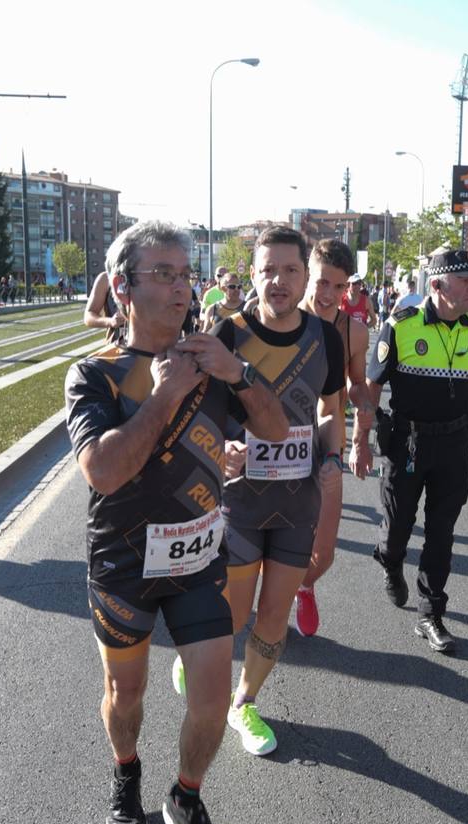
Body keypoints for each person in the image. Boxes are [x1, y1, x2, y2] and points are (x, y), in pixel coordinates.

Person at [65, 221, 286, 824]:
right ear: (123, 288)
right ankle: (126, 773)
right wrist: (166, 393)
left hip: (196, 560)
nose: (179, 287)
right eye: (161, 274)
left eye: (184, 274)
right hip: (122, 565)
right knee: (124, 693)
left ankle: (187, 797)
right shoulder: (94, 375)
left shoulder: (216, 361)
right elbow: (103, 472)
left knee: (213, 699)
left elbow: (273, 431)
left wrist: (238, 372)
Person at [176, 226, 344, 759]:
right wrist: (221, 446)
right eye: (268, 270)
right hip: (242, 501)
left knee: (274, 616)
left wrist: (334, 457)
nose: (279, 281)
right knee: (232, 614)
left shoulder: (326, 337)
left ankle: (243, 701)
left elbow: (329, 409)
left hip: (298, 504)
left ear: (304, 277)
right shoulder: (228, 335)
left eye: (290, 270)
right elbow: (199, 413)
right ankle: (200, 655)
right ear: (253, 274)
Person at [366, 248, 468, 653]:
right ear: (437, 285)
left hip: (454, 444)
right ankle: (389, 560)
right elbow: (372, 383)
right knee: (398, 526)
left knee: (442, 532)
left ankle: (430, 613)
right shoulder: (401, 326)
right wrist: (361, 437)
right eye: (466, 281)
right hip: (408, 443)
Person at [295, 239, 372, 638]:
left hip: (328, 443)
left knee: (323, 554)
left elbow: (356, 385)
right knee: (257, 546)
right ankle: (267, 597)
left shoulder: (354, 332)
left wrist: (366, 414)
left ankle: (303, 584)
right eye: (322, 283)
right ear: (309, 275)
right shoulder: (279, 318)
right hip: (275, 444)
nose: (328, 295)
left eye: (338, 287)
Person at [83, 271, 125, 345]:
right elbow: (88, 316)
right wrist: (111, 321)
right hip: (118, 343)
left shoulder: (149, 274)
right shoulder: (106, 278)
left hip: (149, 345)